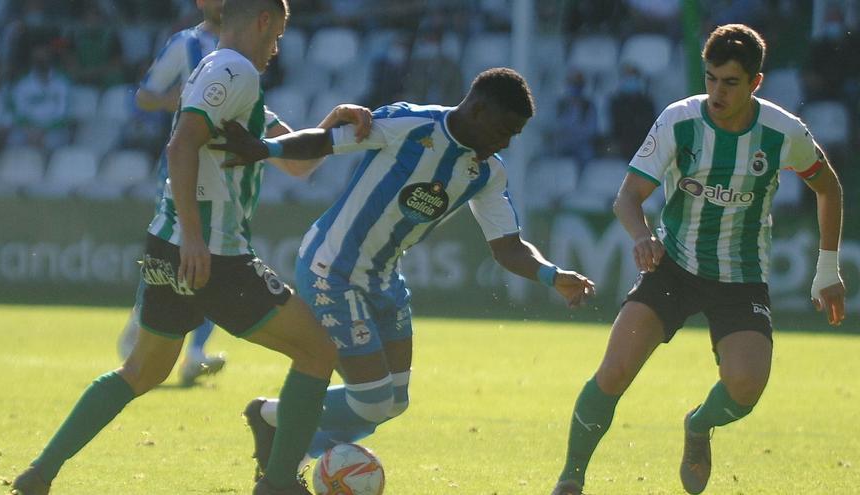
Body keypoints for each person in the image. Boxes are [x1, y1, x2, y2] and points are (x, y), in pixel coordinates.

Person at [9, 2, 373, 494]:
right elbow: (180, 146)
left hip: (168, 246)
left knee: (142, 370)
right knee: (316, 350)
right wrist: (196, 238)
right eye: (278, 35)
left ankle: (39, 473)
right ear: (263, 20)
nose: (277, 48)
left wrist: (331, 125)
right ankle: (280, 483)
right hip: (212, 253)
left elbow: (294, 162)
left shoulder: (217, 69)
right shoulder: (235, 70)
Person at [210, 67, 597, 482]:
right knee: (372, 400)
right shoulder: (410, 124)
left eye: (514, 136)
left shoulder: (487, 171)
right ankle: (288, 447)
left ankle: (273, 419)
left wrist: (551, 275)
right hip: (332, 268)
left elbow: (507, 246)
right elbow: (326, 141)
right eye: (504, 130)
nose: (505, 142)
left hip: (384, 278)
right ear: (479, 110)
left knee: (393, 402)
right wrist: (265, 148)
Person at [549, 24, 846, 495]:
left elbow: (828, 186)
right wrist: (643, 236)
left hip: (741, 277)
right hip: (673, 266)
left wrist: (827, 269)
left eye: (730, 82)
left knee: (746, 386)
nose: (716, 92)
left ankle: (698, 424)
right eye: (710, 78)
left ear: (756, 83)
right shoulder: (679, 120)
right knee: (615, 370)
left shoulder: (783, 132)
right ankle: (570, 479)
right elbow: (628, 197)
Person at [117, 0, 227, 386]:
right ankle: (145, 328)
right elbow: (145, 95)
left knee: (219, 259)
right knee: (179, 257)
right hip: (184, 169)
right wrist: (174, 100)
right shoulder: (186, 44)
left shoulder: (247, 46)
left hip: (229, 173)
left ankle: (194, 352)